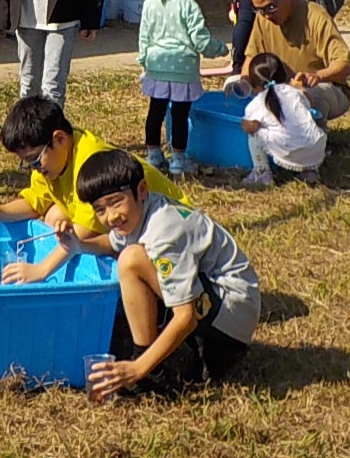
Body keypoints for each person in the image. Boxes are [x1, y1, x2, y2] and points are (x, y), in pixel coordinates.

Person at [79, 148, 259, 400]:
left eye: (115, 202)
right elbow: (111, 243)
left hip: (226, 328)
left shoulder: (165, 230)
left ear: (141, 190)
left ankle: (152, 372)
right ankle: (151, 359)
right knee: (130, 259)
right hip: (215, 305)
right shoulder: (142, 211)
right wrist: (75, 244)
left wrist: (138, 369)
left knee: (131, 261)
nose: (110, 216)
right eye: (100, 210)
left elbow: (186, 317)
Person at [0, 96, 188, 284]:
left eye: (35, 161)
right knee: (54, 215)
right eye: (28, 163)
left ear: (59, 139)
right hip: (130, 224)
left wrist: (42, 270)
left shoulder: (90, 161)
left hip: (169, 229)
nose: (34, 169)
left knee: (123, 256)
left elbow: (83, 232)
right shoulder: (57, 159)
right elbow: (32, 203)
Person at [138, 0, 226, 175]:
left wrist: (144, 59)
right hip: (182, 70)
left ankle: (153, 155)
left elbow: (144, 35)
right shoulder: (189, 6)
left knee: (155, 112)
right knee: (179, 115)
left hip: (156, 67)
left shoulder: (150, 2)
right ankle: (178, 160)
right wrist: (220, 48)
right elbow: (200, 40)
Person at [243, 0, 350, 122]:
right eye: (260, 10)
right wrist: (244, 82)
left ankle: (314, 142)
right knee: (234, 86)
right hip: (280, 88)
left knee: (305, 95)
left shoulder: (315, 16)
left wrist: (318, 76)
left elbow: (345, 65)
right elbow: (251, 58)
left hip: (323, 87)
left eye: (271, 7)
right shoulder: (263, 19)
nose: (267, 15)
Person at [239, 51, 326, 187]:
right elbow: (309, 104)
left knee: (254, 133)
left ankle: (262, 173)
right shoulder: (294, 92)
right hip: (316, 150)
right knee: (307, 121)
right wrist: (302, 89)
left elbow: (250, 126)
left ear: (254, 85)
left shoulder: (259, 101)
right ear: (284, 75)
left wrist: (243, 124)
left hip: (289, 152)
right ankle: (310, 172)